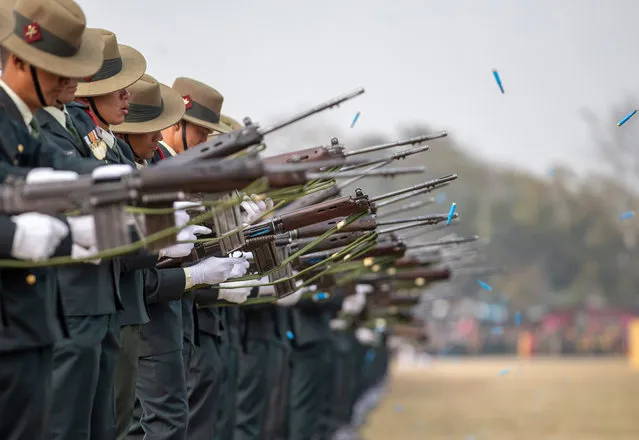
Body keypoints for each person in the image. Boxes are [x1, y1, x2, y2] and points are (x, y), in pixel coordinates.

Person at [0, 1, 130, 439]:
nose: (70, 82)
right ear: (19, 60)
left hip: (29, 320)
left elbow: (54, 165)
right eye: (58, 70)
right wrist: (13, 236)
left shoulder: (22, 124)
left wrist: (128, 177)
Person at [110, 74, 249, 440]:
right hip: (149, 318)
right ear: (179, 124)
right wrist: (198, 277)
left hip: (172, 316)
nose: (205, 143)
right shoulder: (146, 168)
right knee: (159, 423)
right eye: (201, 133)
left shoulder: (162, 168)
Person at [31, 28, 147, 440]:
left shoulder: (80, 128)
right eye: (116, 88)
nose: (125, 98)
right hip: (70, 295)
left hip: (102, 296)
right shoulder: (48, 124)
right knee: (67, 424)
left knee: (100, 424)